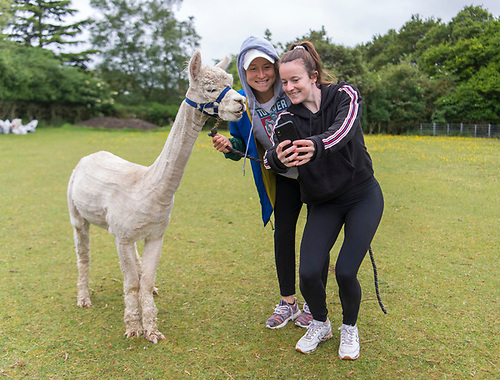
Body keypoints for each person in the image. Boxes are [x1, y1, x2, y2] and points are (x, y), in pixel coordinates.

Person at [264, 41, 384, 359]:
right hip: (324, 203)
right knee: (308, 272)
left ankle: (350, 329)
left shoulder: (344, 95)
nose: (288, 87)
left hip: (362, 196)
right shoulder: (286, 119)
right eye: (284, 82)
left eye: (295, 80)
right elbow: (270, 158)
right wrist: (276, 158)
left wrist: (316, 145)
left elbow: (342, 130)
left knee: (345, 271)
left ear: (313, 77)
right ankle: (321, 323)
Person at [211, 36, 313, 329]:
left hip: (314, 175)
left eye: (266, 66)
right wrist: (228, 146)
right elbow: (243, 145)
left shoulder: (292, 90)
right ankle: (288, 303)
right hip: (281, 178)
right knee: (283, 237)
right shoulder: (242, 103)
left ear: (275, 65)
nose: (261, 74)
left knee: (314, 239)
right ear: (244, 73)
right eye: (252, 69)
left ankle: (313, 304)